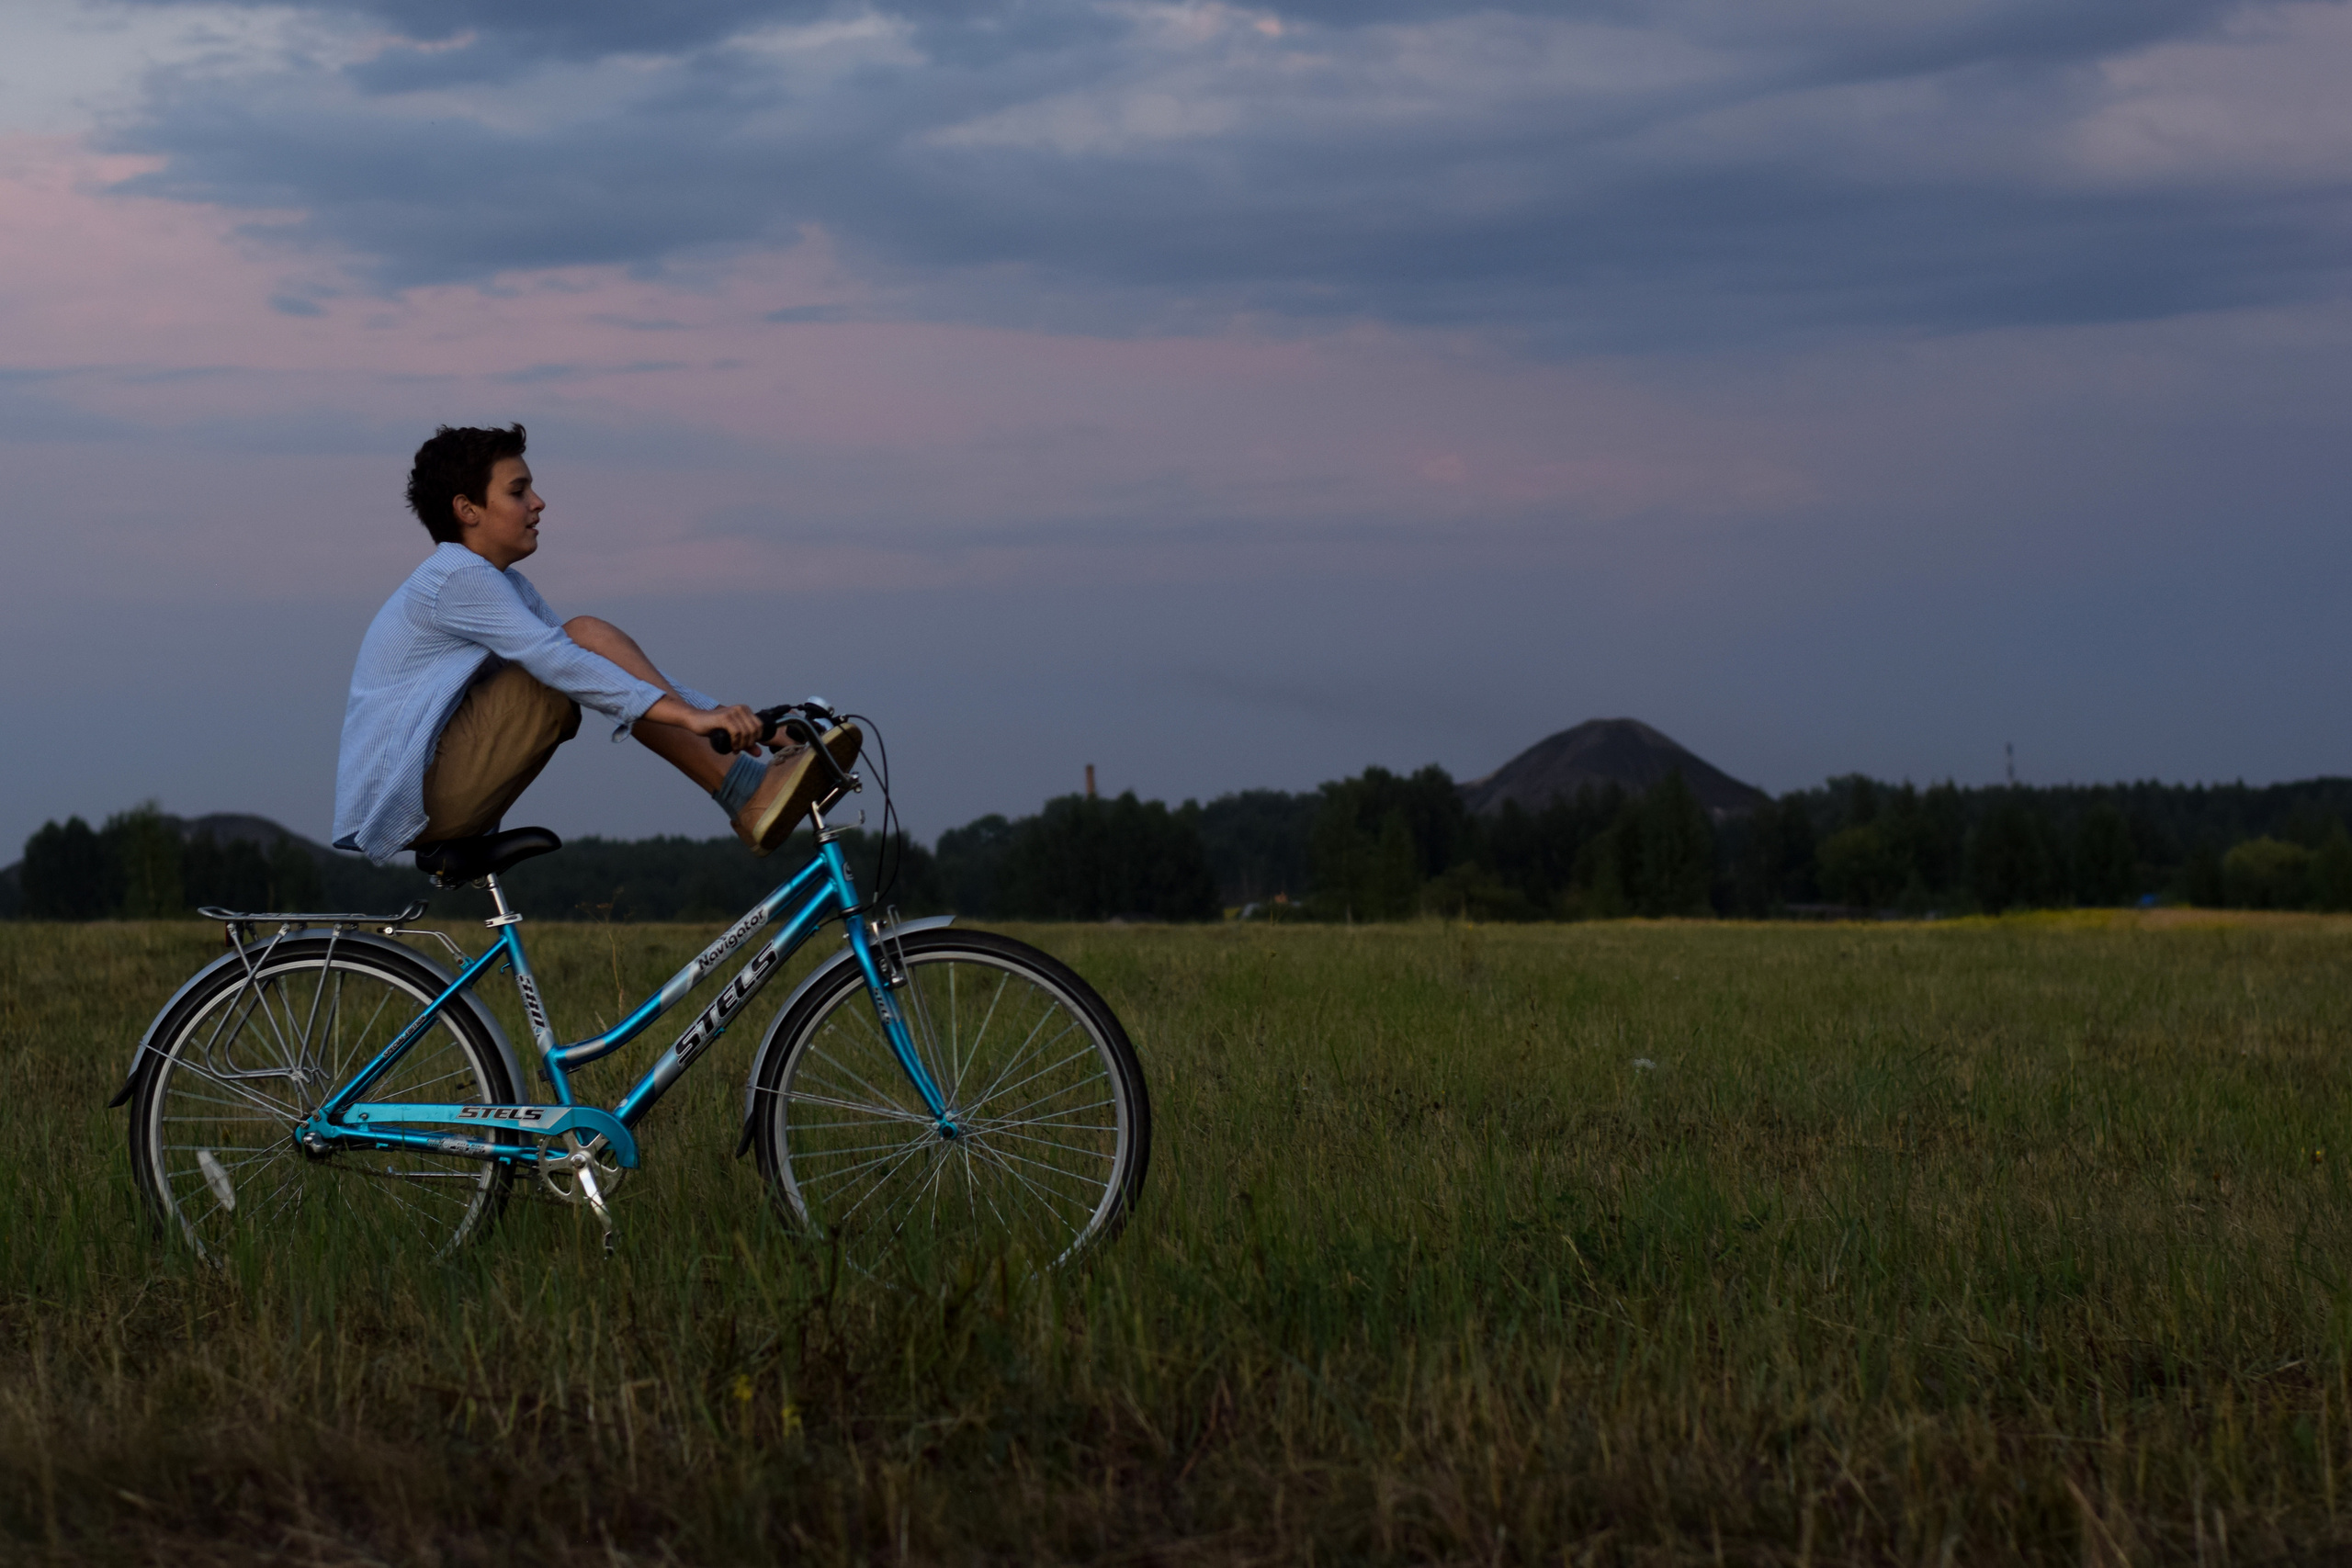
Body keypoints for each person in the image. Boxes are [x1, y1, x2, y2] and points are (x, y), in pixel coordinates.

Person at [333, 423, 856, 867]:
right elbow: (563, 661)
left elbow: (608, 668)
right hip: (415, 802)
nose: (538, 503)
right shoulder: (456, 576)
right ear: (468, 509)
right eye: (518, 492)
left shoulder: (501, 585)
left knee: (589, 642)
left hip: (438, 791)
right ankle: (744, 793)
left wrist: (746, 723)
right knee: (580, 639)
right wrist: (693, 720)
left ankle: (746, 785)